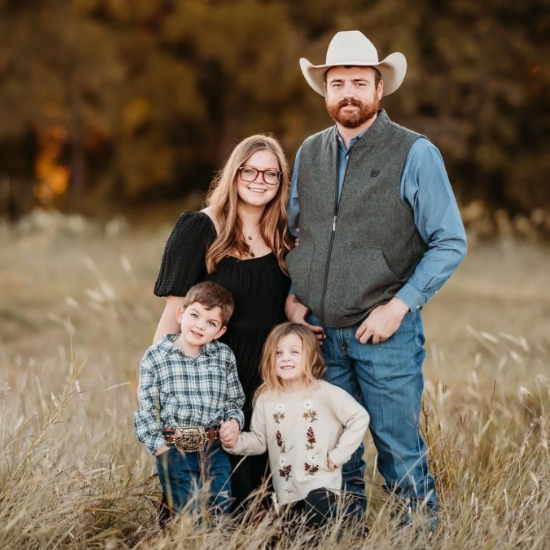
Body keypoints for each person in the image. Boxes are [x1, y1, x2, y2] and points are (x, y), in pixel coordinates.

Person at [285, 30, 468, 524]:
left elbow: (450, 241)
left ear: (379, 89)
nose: (348, 92)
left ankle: (418, 537)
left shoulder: (415, 152)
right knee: (333, 458)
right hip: (320, 333)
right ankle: (345, 538)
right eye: (337, 82)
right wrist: (294, 296)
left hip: (385, 333)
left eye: (359, 82)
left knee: (399, 455)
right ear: (324, 90)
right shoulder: (308, 153)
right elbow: (296, 235)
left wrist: (399, 305)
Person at [153, 134, 293, 508]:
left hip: (268, 379)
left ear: (281, 182)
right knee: (203, 489)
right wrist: (162, 383)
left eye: (271, 174)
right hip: (210, 378)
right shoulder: (199, 228)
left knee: (261, 494)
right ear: (234, 173)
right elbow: (173, 314)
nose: (259, 180)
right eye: (250, 170)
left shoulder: (285, 234)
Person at [223, 322, 370, 528]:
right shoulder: (266, 398)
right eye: (278, 353)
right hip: (286, 490)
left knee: (316, 522)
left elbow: (359, 417)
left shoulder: (324, 392)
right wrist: (235, 441)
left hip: (321, 485)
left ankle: (347, 530)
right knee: (291, 538)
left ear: (310, 358)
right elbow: (259, 441)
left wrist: (338, 455)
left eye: (294, 352)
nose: (285, 358)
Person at [134, 281, 245, 517]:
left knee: (219, 505)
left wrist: (234, 423)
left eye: (211, 323)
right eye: (195, 315)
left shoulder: (223, 356)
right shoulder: (157, 356)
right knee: (186, 510)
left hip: (214, 448)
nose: (200, 326)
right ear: (181, 313)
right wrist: (160, 449)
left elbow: (234, 401)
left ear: (221, 331)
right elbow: (147, 408)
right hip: (174, 448)